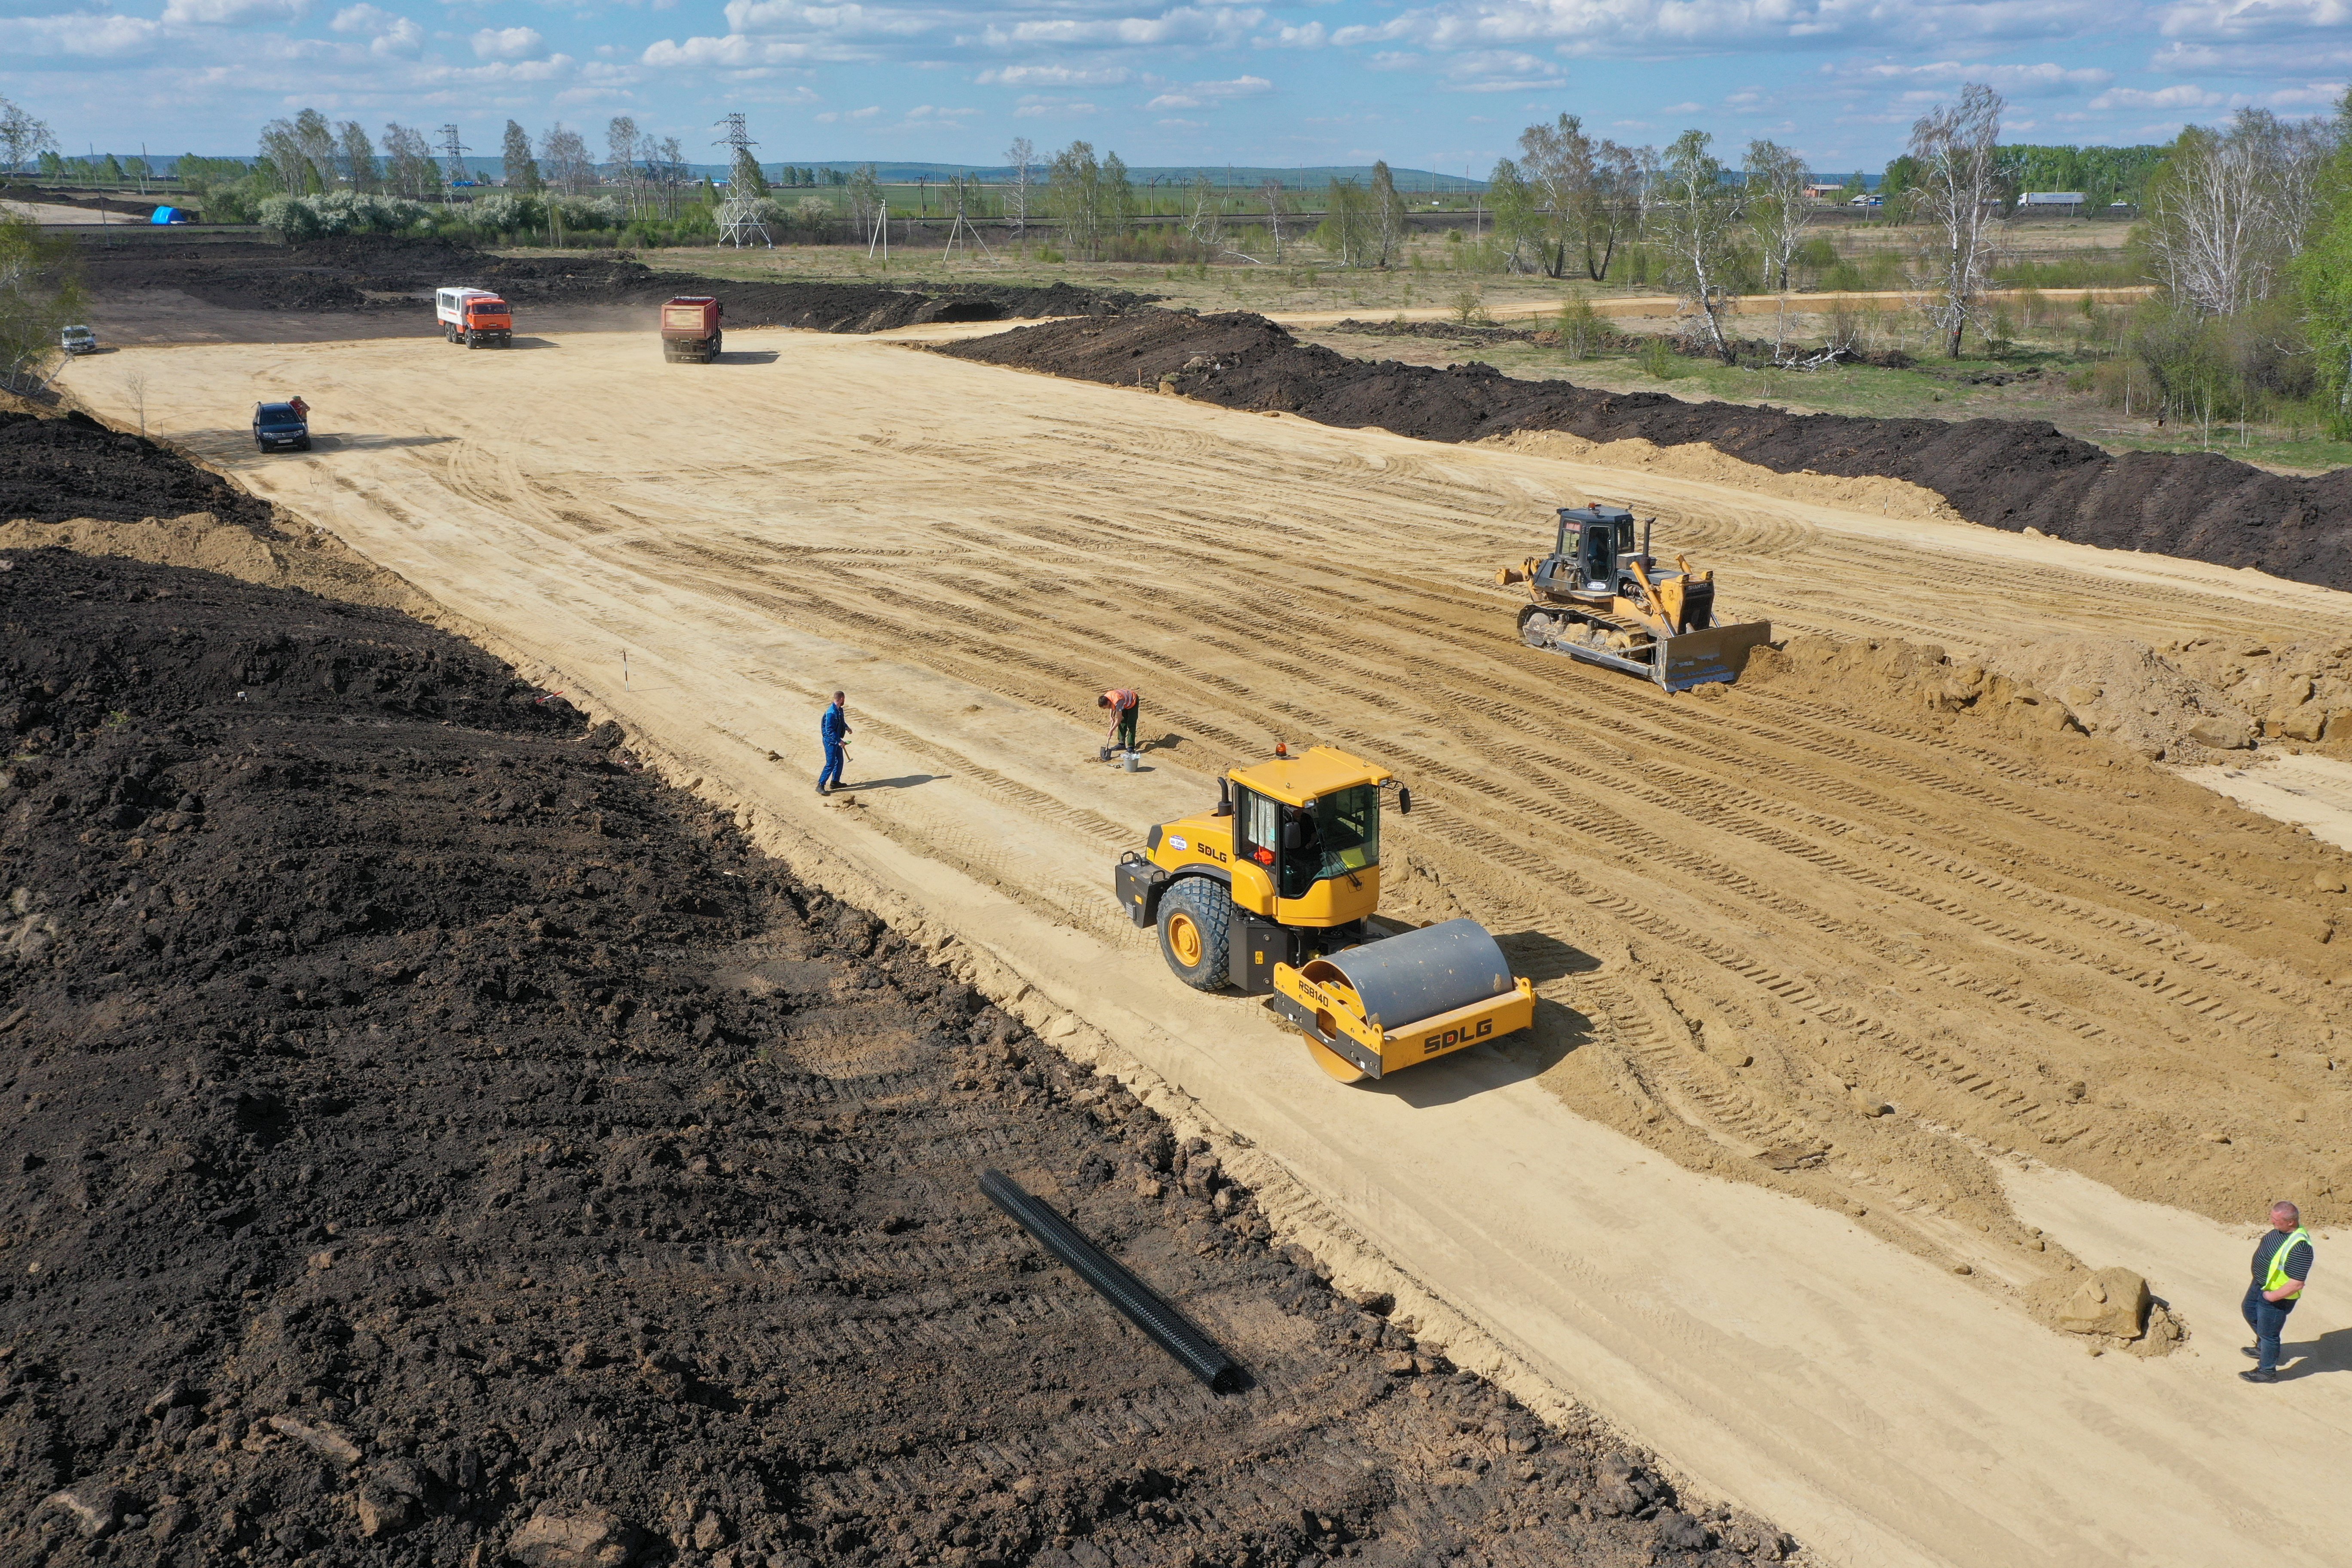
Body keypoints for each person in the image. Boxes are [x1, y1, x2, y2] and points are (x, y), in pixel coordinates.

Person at [2241, 1199, 2314, 1383]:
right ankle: (2264, 1349)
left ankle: (2267, 1372)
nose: (2272, 1222)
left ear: (2291, 1222)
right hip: (2261, 1284)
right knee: (2249, 1310)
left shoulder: (2301, 1247)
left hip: (2277, 1296)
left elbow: (2297, 1283)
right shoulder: (2280, 1231)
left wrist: (2271, 1296)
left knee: (2269, 1334)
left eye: (2276, 1220)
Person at [818, 690, 849, 795]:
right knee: (831, 764)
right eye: (844, 699)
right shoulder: (831, 712)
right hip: (830, 741)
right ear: (841, 699)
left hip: (836, 740)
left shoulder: (839, 710)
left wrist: (847, 727)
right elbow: (829, 730)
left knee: (840, 761)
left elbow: (841, 721)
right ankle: (821, 785)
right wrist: (839, 741)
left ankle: (835, 782)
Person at [1099, 688, 1140, 756]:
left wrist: (1111, 731)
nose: (1106, 709)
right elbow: (1111, 706)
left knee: (1131, 724)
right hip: (1124, 702)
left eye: (1105, 707)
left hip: (1132, 701)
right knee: (1123, 723)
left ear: (1108, 702)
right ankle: (1121, 744)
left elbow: (1119, 719)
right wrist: (1111, 716)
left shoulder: (1118, 702)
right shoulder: (1107, 697)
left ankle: (1131, 747)